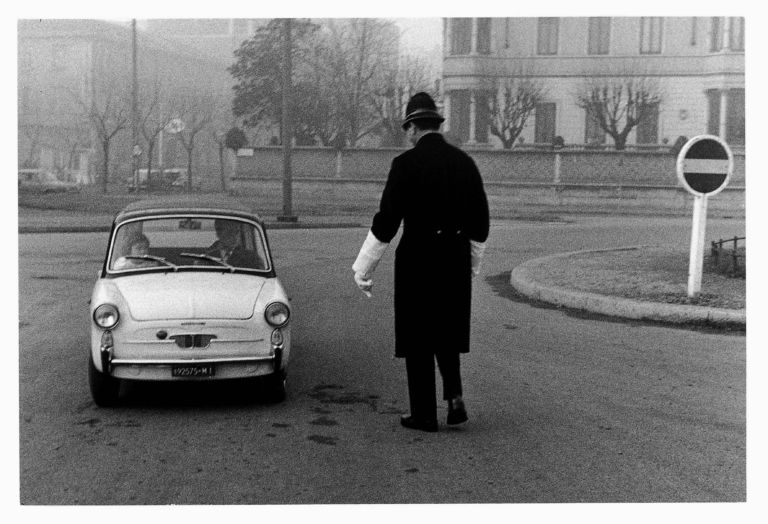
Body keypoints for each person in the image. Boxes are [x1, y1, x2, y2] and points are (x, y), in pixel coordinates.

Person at [352, 92, 490, 432]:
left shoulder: (404, 165)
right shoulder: (465, 163)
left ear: (414, 127)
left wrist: (362, 268)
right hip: (453, 256)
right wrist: (469, 265)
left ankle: (425, 414)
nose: (407, 136)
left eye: (407, 129)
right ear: (436, 126)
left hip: (417, 258)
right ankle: (454, 396)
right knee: (446, 329)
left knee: (418, 336)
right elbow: (481, 225)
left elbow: (386, 223)